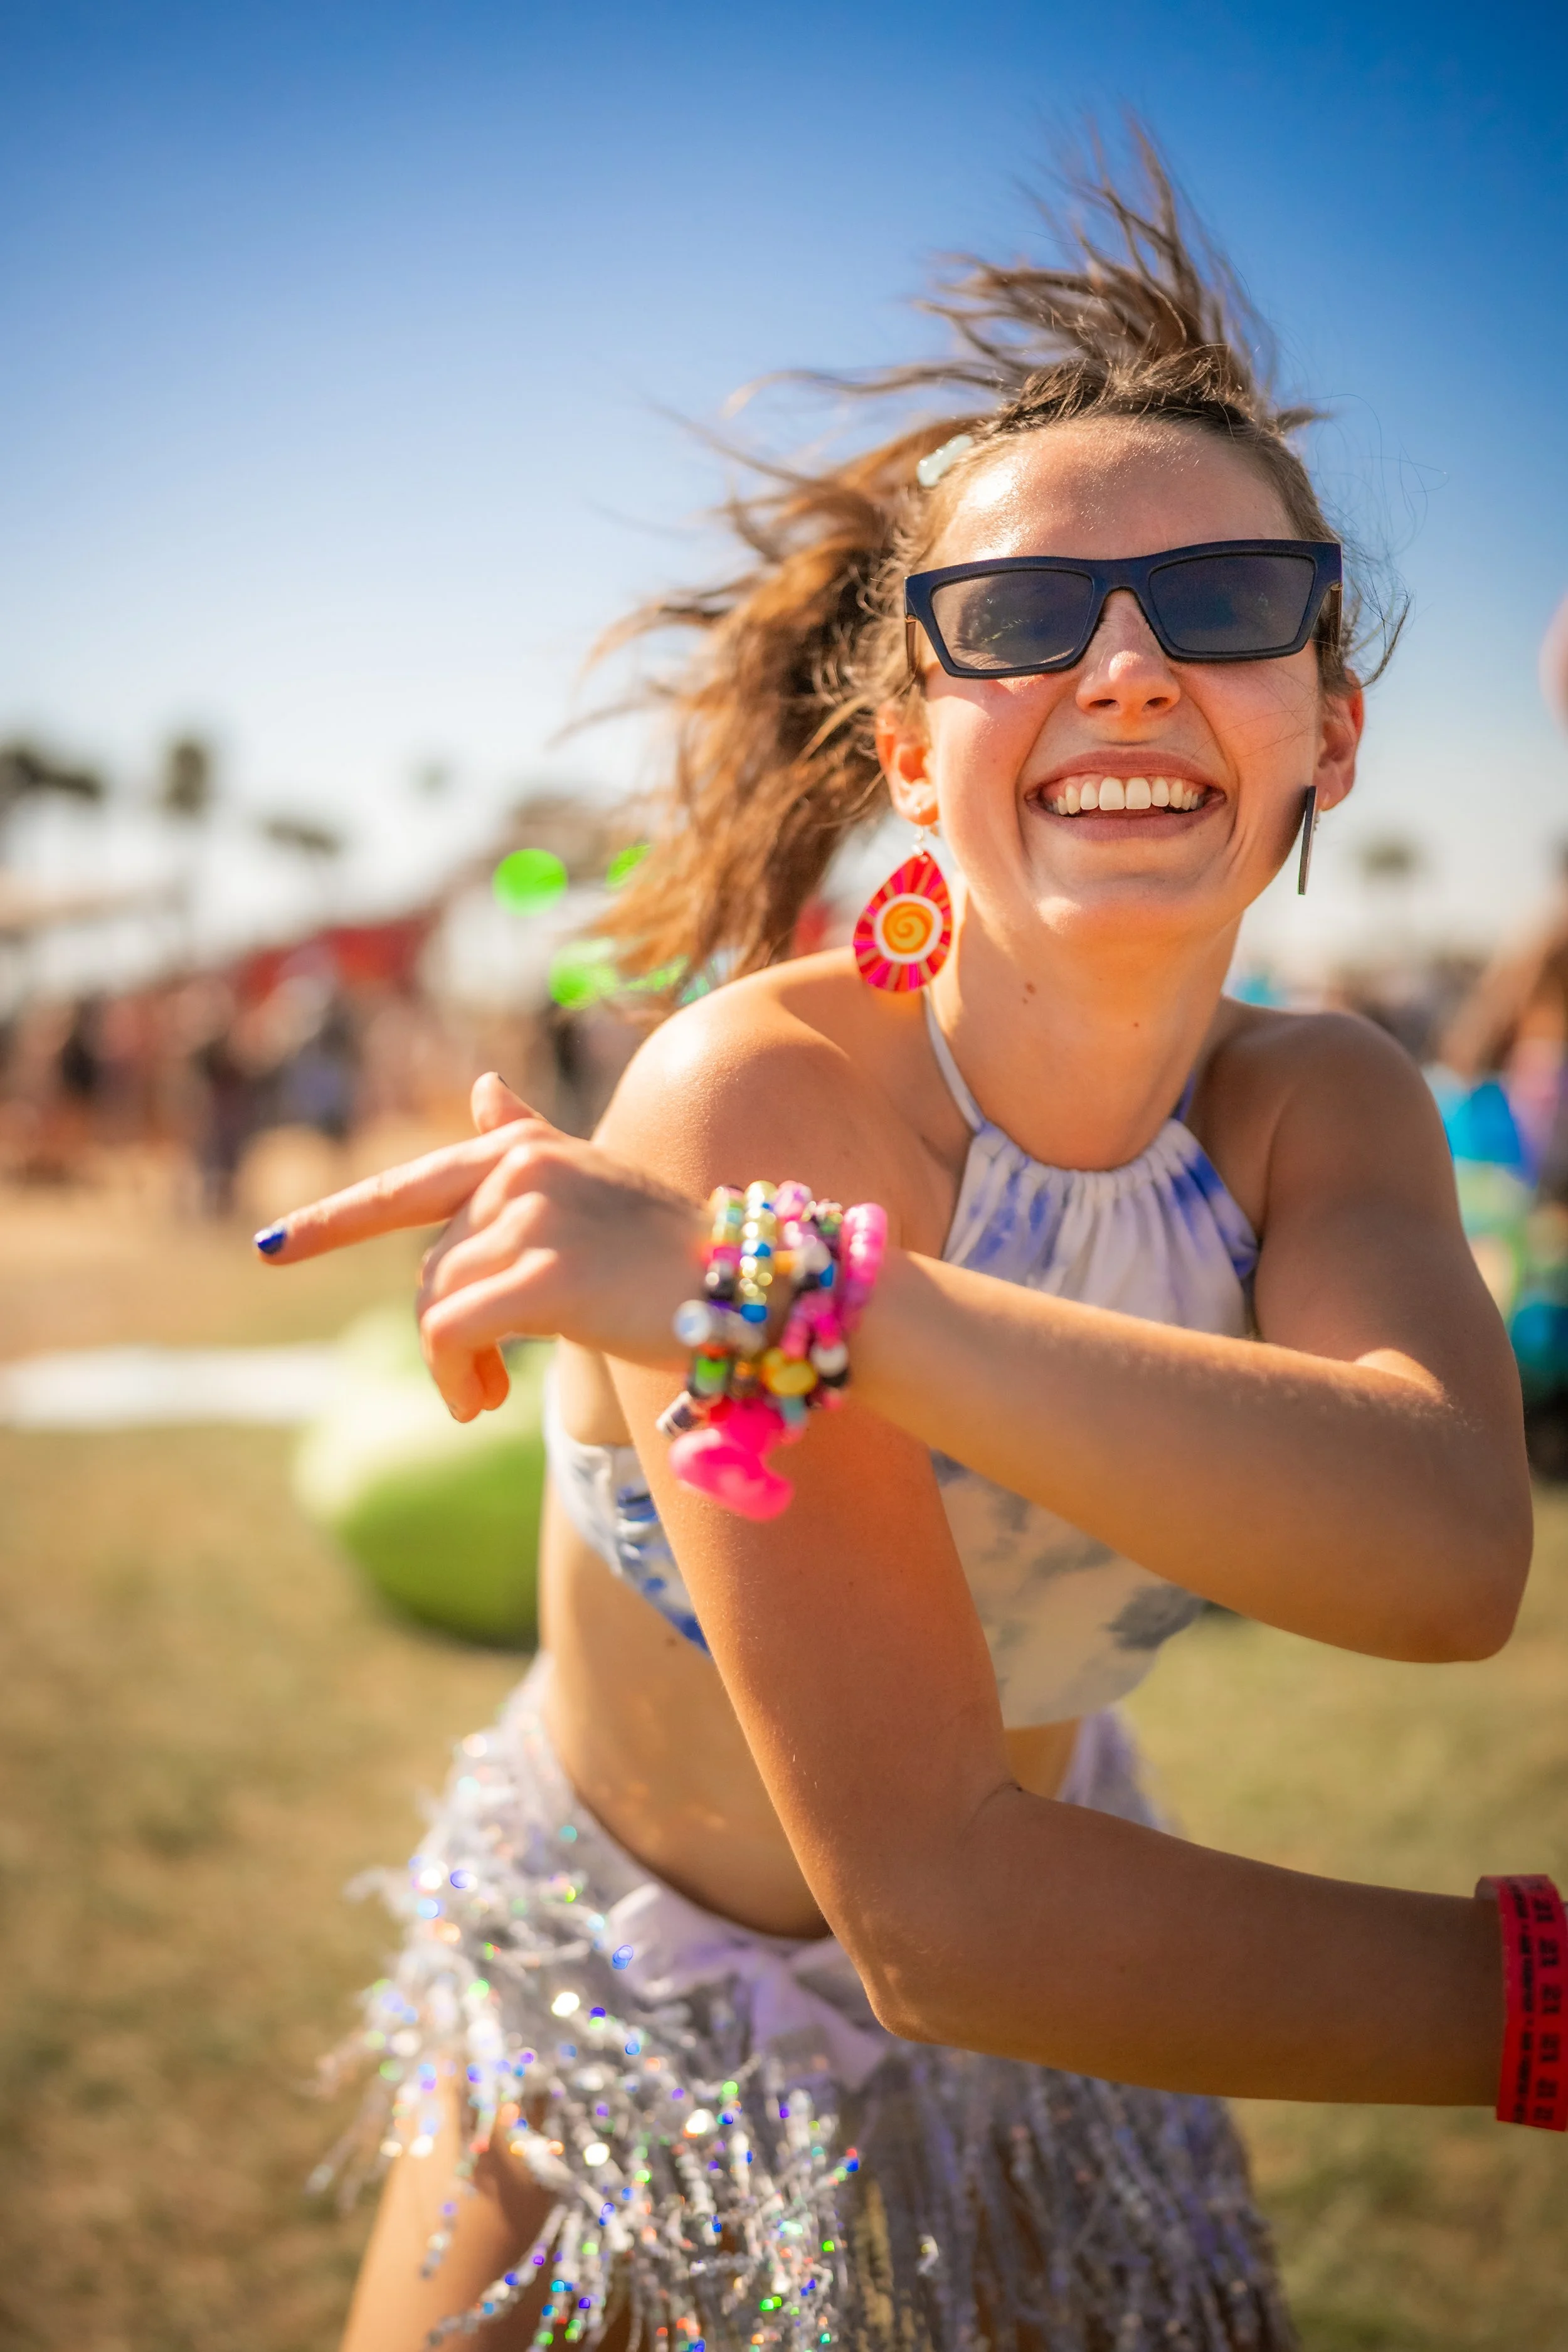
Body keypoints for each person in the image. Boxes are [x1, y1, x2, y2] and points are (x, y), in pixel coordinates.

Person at [259, 154, 1544, 2352]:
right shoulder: (757, 1106)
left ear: (1326, 730)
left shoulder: (1316, 1102)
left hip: (1092, 1999)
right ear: (909, 754)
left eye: (1227, 601)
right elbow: (935, 1902)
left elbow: (1444, 1558)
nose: (1125, 667)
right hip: (630, 2045)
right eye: (1025, 620)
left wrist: (801, 1298)